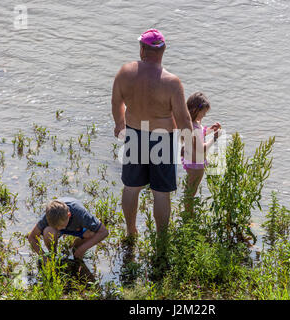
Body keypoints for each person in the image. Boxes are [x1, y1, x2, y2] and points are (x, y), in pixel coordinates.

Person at [111, 29, 193, 240]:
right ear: (163, 51)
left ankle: (131, 232)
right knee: (160, 192)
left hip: (135, 133)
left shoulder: (125, 73)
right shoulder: (171, 82)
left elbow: (116, 101)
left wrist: (120, 123)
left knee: (131, 187)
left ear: (142, 50)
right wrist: (189, 144)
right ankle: (161, 239)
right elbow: (184, 119)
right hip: (162, 138)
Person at [27, 197, 109, 262]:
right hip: (61, 225)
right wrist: (43, 256)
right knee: (48, 231)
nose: (59, 228)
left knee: (92, 233)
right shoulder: (48, 216)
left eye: (61, 225)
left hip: (77, 228)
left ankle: (75, 248)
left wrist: (83, 248)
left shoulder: (80, 214)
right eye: (56, 226)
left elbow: (104, 232)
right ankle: (53, 254)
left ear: (69, 215)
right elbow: (32, 237)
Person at [181, 92, 221, 215]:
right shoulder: (192, 128)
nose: (203, 115)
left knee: (189, 190)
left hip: (191, 161)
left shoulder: (192, 124)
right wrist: (214, 138)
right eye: (203, 112)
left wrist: (210, 130)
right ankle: (189, 216)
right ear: (194, 110)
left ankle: (187, 213)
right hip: (196, 165)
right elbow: (201, 148)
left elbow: (200, 134)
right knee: (191, 193)